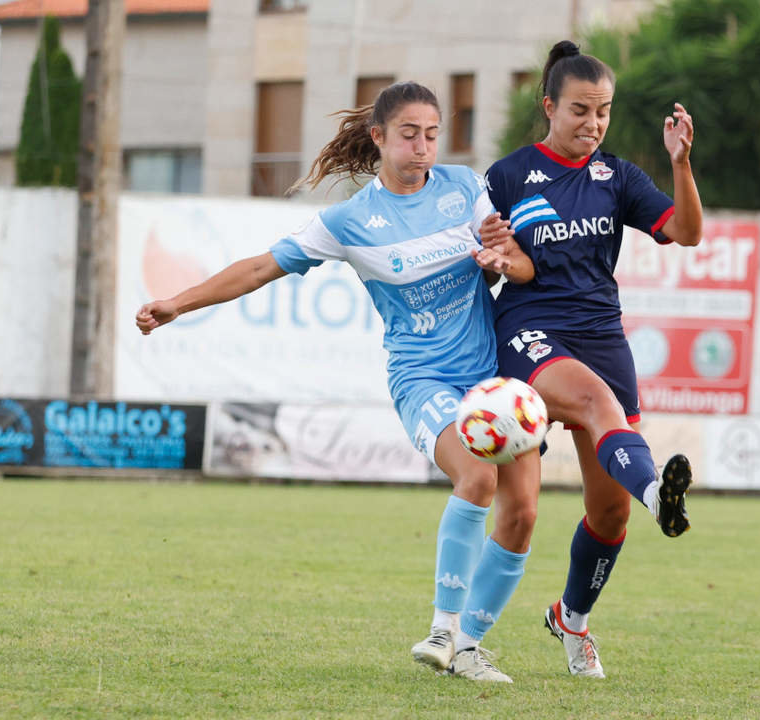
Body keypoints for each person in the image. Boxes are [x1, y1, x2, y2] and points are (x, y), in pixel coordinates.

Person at [136, 81, 538, 684]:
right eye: (408, 134)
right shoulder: (351, 221)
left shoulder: (463, 187)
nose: (422, 147)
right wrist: (178, 303)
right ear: (378, 138)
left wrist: (502, 259)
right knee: (477, 475)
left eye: (431, 134)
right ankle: (442, 628)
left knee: (525, 512)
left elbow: (521, 264)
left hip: (493, 382)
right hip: (423, 378)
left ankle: (470, 647)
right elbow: (257, 268)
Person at [482, 40, 704, 679]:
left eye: (603, 111)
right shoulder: (508, 175)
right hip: (531, 333)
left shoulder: (619, 178)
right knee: (599, 409)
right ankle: (657, 488)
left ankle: (571, 619)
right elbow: (492, 255)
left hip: (603, 337)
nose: (593, 123)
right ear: (550, 106)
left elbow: (687, 234)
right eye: (581, 109)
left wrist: (682, 164)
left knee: (608, 513)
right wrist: (496, 258)